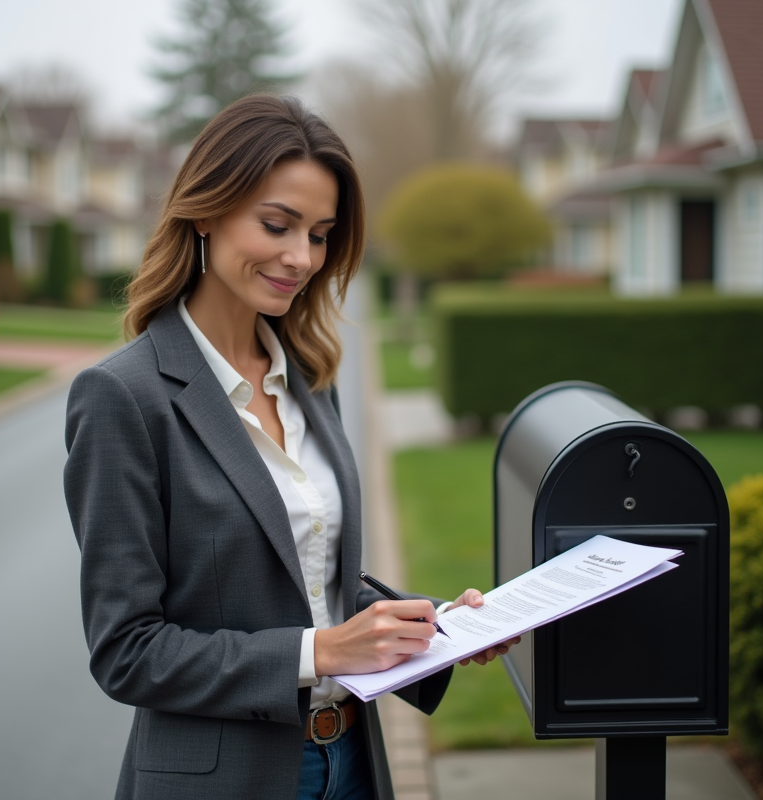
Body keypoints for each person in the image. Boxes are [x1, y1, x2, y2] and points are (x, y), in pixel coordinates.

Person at [63, 94, 516, 800]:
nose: (301, 257)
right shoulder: (124, 397)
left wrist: (431, 625)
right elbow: (127, 651)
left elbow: (312, 576)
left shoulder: (309, 377)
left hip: (352, 764)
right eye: (277, 225)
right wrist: (321, 651)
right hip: (225, 781)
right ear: (207, 211)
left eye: (321, 234)